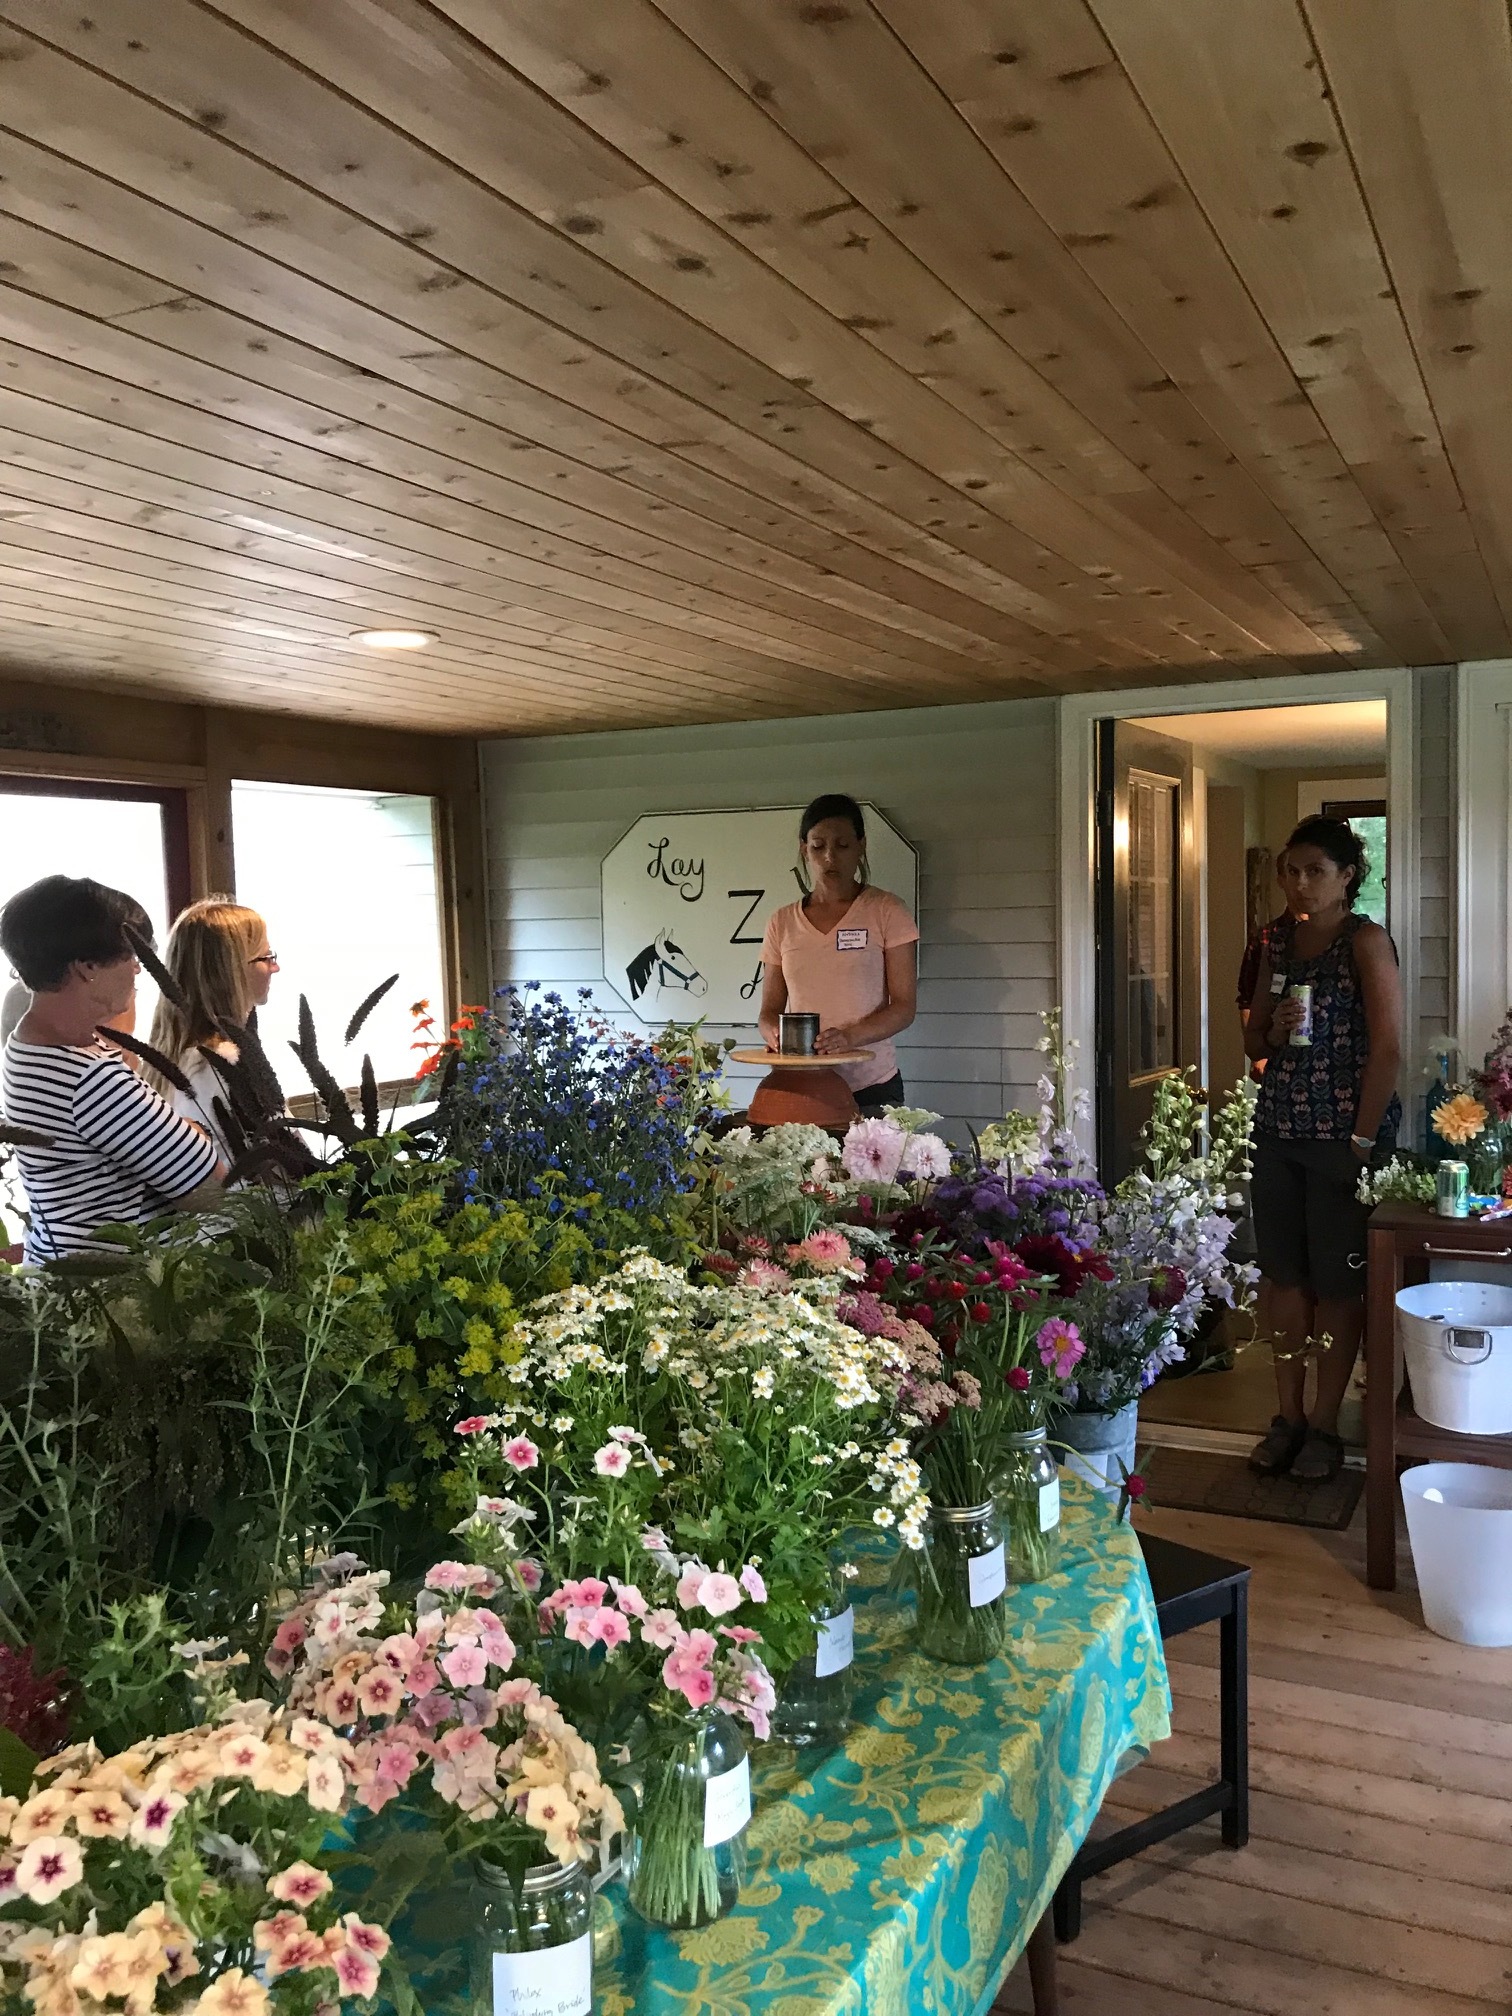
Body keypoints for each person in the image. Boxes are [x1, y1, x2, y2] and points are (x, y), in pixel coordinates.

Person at [1243, 818, 1402, 1481]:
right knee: (1284, 1279)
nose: (1300, 881)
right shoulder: (1274, 942)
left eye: (1315, 870)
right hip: (1278, 1130)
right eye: (1291, 869)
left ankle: (1329, 1424)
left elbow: (1390, 1046)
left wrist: (1362, 1139)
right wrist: (1272, 1033)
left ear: (1347, 876)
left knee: (1338, 1288)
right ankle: (1289, 1417)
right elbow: (1253, 1045)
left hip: (1343, 1139)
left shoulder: (1363, 942)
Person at [0, 876, 224, 1262]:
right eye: (132, 956)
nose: (139, 970)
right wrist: (193, 1131)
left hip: (62, 1271)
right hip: (117, 1295)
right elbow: (211, 1189)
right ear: (87, 967)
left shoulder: (24, 1045)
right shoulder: (90, 1077)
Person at [759, 794, 918, 1113]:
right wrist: (774, 1033)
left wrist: (849, 1036)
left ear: (861, 846)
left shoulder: (886, 910)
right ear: (805, 849)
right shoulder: (782, 921)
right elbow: (769, 1011)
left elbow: (904, 1007)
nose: (830, 857)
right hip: (803, 1084)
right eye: (818, 846)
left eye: (843, 845)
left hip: (871, 1086)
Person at [144, 898, 281, 1163]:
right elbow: (283, 1164)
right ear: (231, 971)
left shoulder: (174, 1057)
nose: (275, 967)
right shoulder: (221, 1062)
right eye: (266, 957)